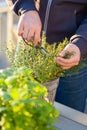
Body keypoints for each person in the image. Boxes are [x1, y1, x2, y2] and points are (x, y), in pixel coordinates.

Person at [6, 0, 87, 112]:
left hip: (72, 57)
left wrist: (81, 43)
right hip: (29, 46)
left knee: (68, 118)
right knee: (19, 113)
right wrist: (26, 8)